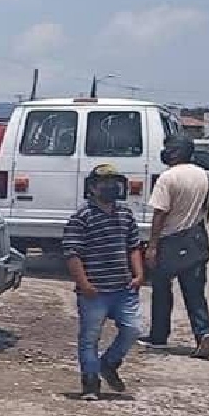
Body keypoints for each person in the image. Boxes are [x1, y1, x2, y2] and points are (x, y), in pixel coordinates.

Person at [62, 164, 145, 401]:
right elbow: (72, 253)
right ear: (92, 187)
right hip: (94, 291)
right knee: (90, 337)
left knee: (132, 330)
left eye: (114, 182)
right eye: (104, 182)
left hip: (123, 287)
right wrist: (84, 283)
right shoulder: (81, 217)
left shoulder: (125, 214)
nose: (110, 187)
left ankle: (109, 364)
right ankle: (90, 382)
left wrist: (139, 275)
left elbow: (133, 246)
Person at [142, 136, 209, 359]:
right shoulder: (205, 175)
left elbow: (160, 213)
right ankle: (203, 332)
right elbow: (208, 206)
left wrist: (152, 245)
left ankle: (159, 336)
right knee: (195, 292)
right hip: (196, 238)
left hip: (169, 239)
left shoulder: (168, 177)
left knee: (162, 290)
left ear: (175, 152)